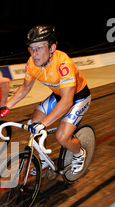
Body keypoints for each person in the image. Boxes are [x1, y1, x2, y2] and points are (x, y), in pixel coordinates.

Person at [6, 25, 91, 174]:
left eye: (39, 48)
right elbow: (25, 88)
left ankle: (79, 153)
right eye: (31, 48)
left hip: (78, 98)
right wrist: (6, 106)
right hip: (59, 96)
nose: (34, 53)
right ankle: (44, 159)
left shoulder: (64, 64)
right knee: (34, 124)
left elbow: (67, 101)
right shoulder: (32, 63)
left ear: (52, 47)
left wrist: (44, 124)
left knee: (62, 137)